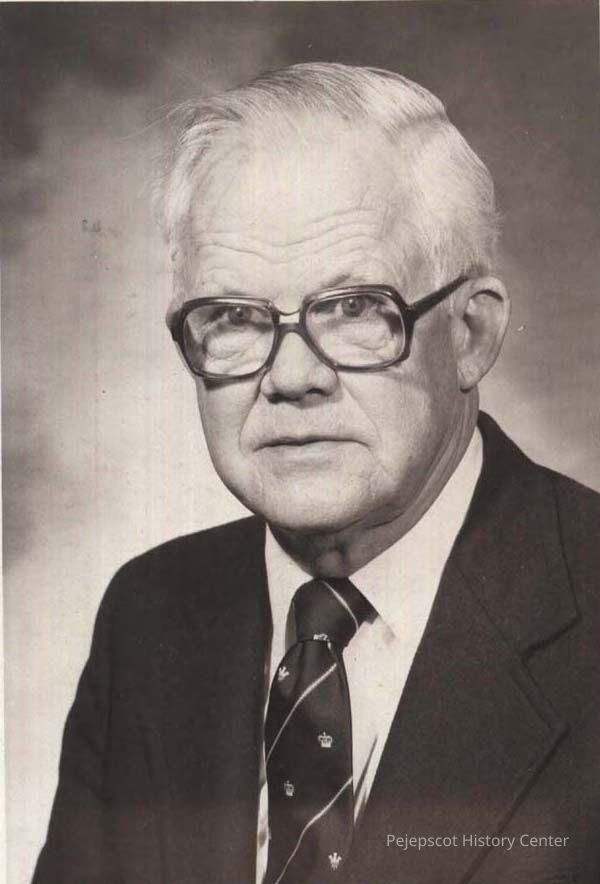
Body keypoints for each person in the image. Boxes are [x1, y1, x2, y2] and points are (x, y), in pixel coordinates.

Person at [33, 63, 600, 884]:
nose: (292, 376)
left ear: (471, 335)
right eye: (233, 317)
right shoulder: (148, 615)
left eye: (355, 308)